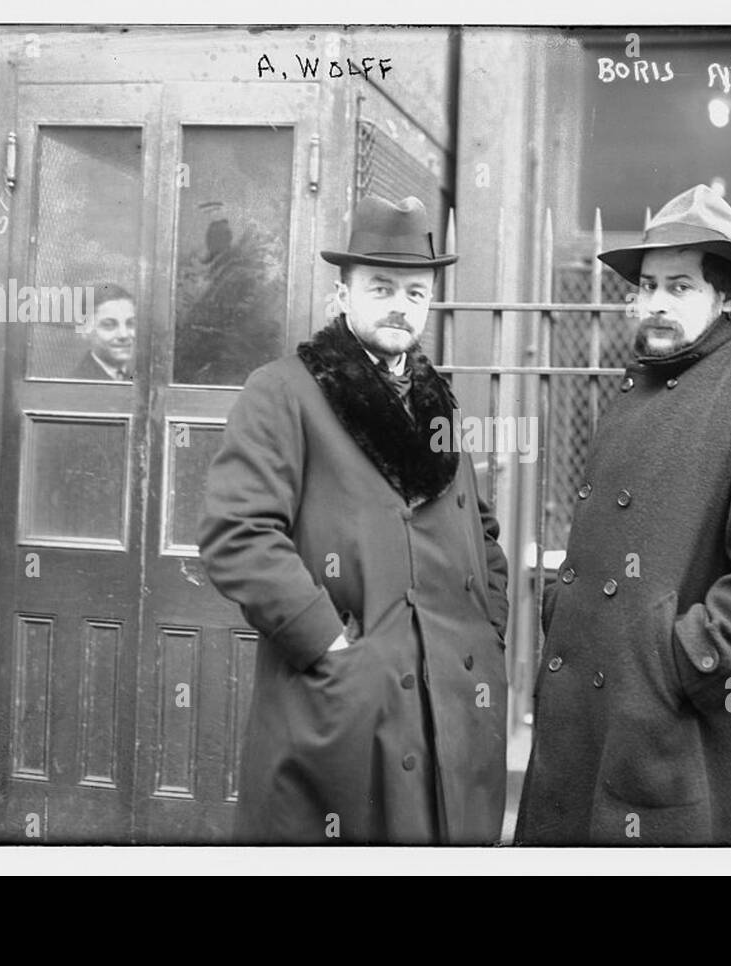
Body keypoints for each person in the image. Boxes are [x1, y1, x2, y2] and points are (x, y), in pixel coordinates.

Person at [515, 184, 731, 845]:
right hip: (592, 728)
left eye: (680, 287)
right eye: (649, 285)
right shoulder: (633, 391)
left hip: (680, 746)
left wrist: (674, 665)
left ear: (727, 297)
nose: (656, 302)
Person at [197, 194, 509, 844]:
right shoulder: (284, 392)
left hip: (452, 701)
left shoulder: (438, 402)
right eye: (383, 287)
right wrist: (332, 647)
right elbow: (238, 535)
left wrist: (489, 628)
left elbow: (481, 531)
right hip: (349, 704)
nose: (402, 304)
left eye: (416, 292)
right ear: (344, 293)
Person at [70, 283, 136, 381]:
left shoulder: (138, 379)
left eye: (130, 323)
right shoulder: (75, 385)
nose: (124, 334)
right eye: (109, 325)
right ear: (84, 329)